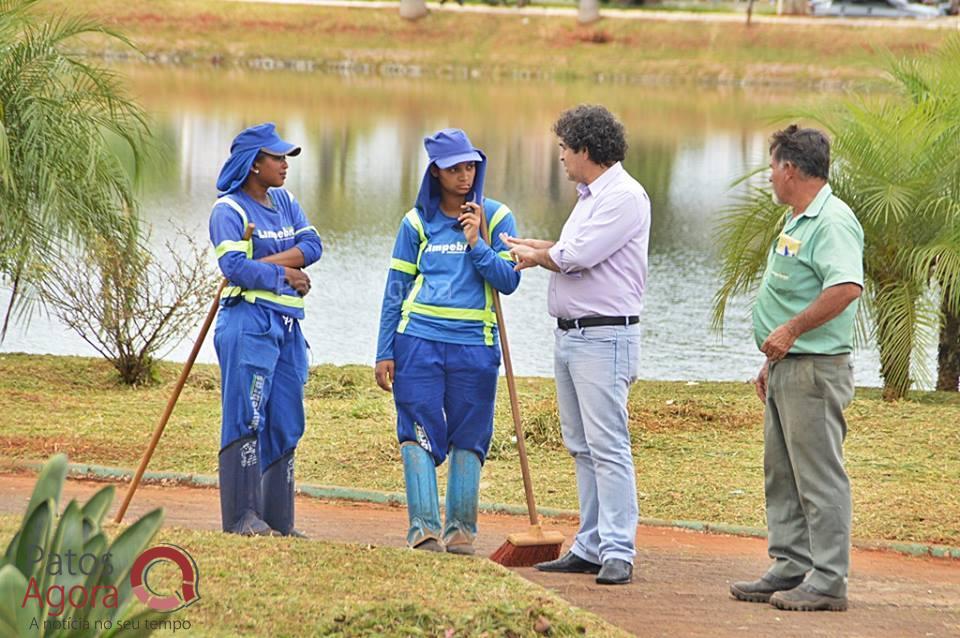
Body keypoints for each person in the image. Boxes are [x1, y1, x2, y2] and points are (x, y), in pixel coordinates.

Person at [503, 105, 650, 585]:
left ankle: (618, 550)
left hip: (604, 335)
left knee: (608, 445)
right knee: (583, 447)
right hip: (573, 334)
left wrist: (538, 253)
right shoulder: (591, 196)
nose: (562, 158)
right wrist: (535, 245)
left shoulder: (624, 196)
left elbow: (577, 255)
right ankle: (590, 544)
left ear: (586, 150)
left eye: (565, 149)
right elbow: (573, 248)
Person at [730, 125, 863, 612]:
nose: (768, 176)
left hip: (814, 369)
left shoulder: (832, 221)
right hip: (787, 366)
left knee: (818, 476)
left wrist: (792, 332)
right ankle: (790, 565)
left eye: (771, 167)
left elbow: (846, 286)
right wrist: (772, 357)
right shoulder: (799, 218)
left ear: (790, 169)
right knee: (782, 473)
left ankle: (828, 580)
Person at [375, 128, 520, 555]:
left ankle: (460, 531)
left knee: (469, 434)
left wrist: (477, 243)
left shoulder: (496, 218)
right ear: (435, 173)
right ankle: (423, 529)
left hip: (475, 346)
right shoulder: (417, 222)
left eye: (470, 166)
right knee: (416, 428)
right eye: (454, 168)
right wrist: (385, 349)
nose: (464, 175)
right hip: (417, 341)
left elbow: (508, 280)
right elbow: (396, 287)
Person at [209, 122, 322, 537]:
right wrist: (287, 275)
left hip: (288, 327)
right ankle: (242, 517)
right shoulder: (229, 211)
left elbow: (314, 247)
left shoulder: (287, 202)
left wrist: (274, 265)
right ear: (254, 165)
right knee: (247, 414)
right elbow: (233, 268)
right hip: (247, 322)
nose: (284, 165)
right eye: (276, 158)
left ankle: (279, 520)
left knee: (286, 417)